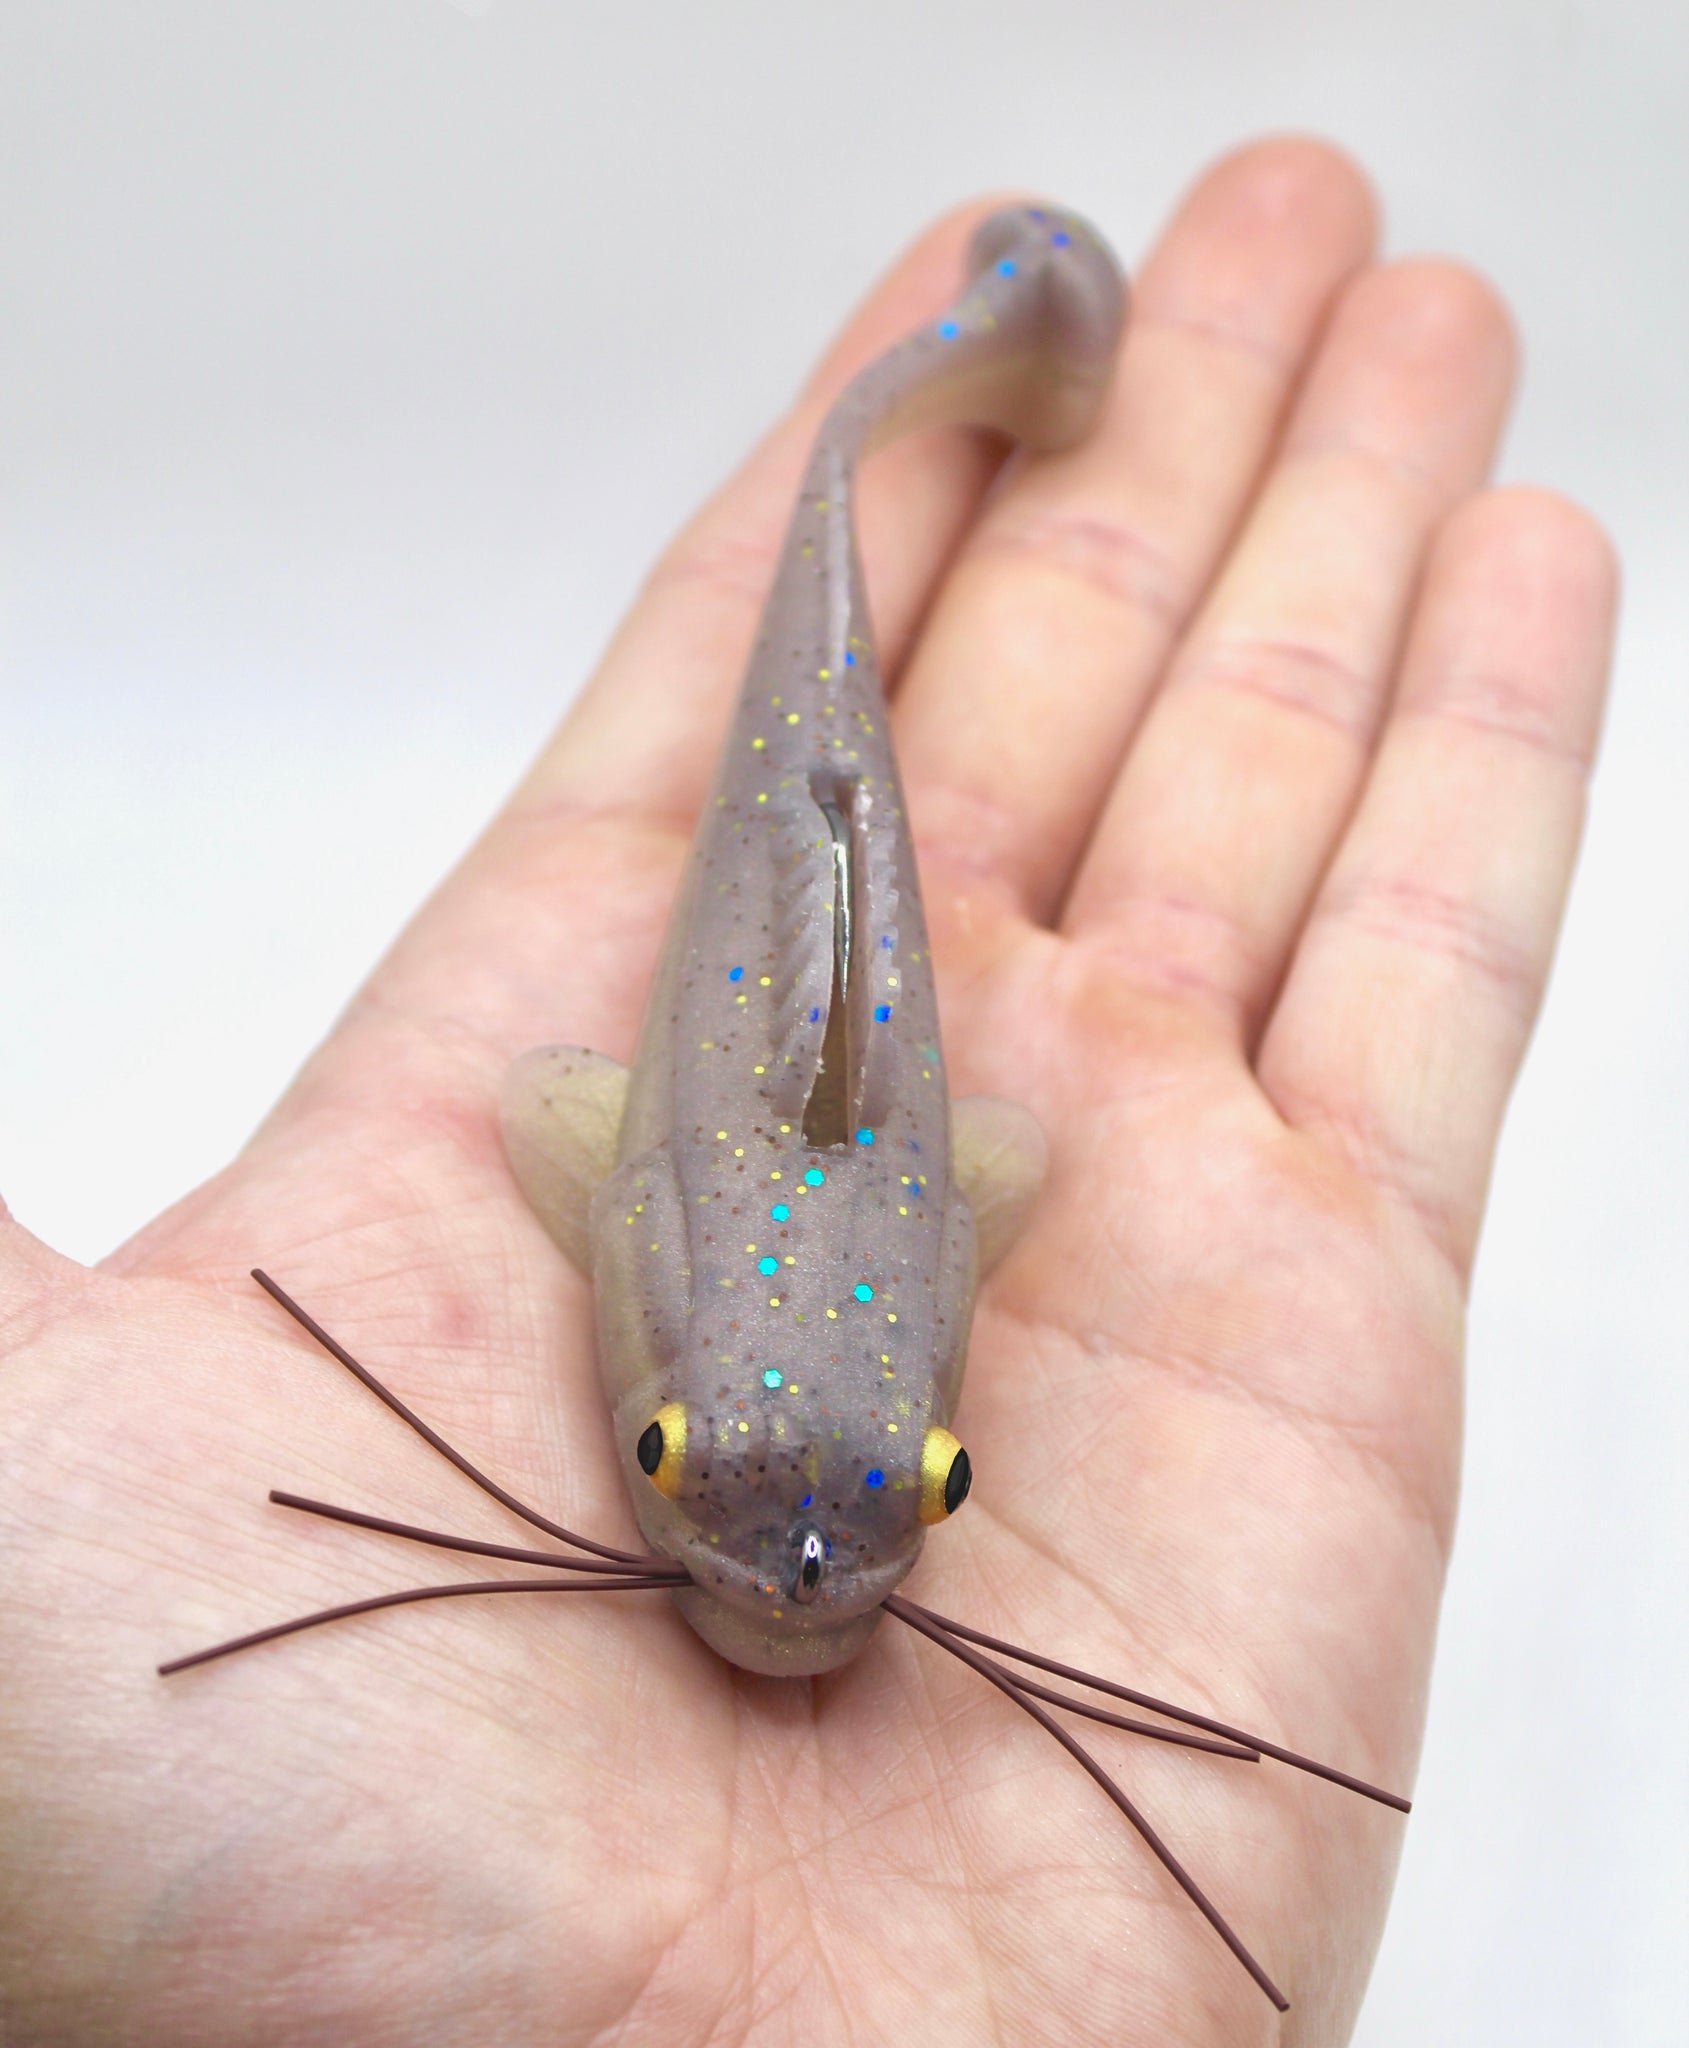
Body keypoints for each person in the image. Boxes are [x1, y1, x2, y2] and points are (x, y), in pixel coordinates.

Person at [0, 138, 1615, 2044]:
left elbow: (587, 1106)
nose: (808, 1579)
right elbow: (779, 1133)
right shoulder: (692, 1207)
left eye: (926, 1486)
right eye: (672, 1459)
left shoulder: (809, 1256)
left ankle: (949, 382)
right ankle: (929, 390)